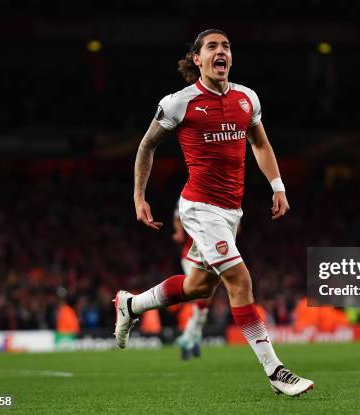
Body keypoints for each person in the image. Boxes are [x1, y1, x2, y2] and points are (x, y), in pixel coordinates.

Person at [114, 28, 313, 396]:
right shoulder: (179, 102)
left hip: (230, 212)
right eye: (212, 47)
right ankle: (276, 372)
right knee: (240, 280)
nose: (220, 51)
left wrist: (278, 186)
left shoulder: (246, 98)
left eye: (226, 46)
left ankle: (132, 304)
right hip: (199, 208)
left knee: (199, 286)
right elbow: (146, 147)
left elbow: (261, 144)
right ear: (197, 59)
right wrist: (138, 196)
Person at [172, 202, 209, 360]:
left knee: (204, 303)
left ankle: (194, 339)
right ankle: (187, 339)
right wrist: (179, 231)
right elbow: (176, 216)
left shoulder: (222, 193)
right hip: (191, 256)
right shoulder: (190, 193)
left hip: (211, 256)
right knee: (200, 298)